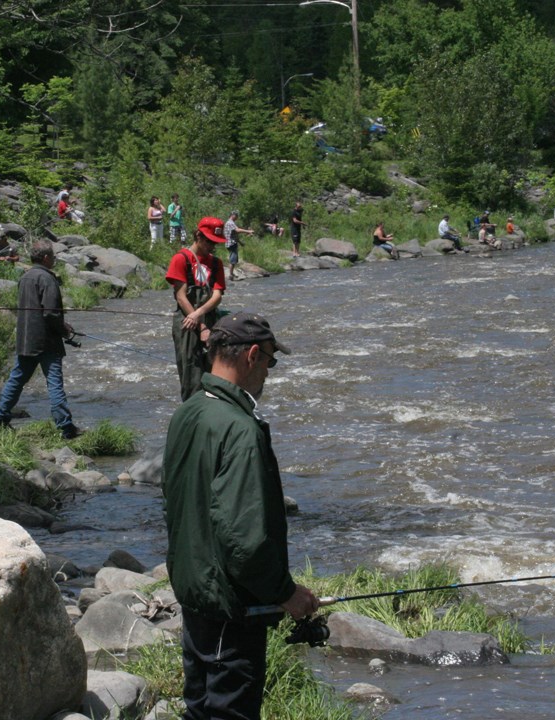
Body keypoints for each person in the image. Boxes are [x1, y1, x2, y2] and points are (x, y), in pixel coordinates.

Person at [163, 312, 319, 720]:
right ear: (252, 355)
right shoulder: (241, 431)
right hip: (231, 610)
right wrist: (287, 593)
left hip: (194, 594)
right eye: (270, 360)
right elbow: (245, 543)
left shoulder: (189, 411)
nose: (269, 371)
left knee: (198, 708)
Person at [0, 239, 81, 440]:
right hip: (46, 341)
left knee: (16, 380)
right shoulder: (47, 279)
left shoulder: (25, 277)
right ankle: (66, 427)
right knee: (55, 383)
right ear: (45, 257)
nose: (54, 260)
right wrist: (64, 329)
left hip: (26, 338)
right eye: (53, 256)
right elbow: (50, 313)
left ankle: (1, 418)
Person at [166, 217, 226, 402]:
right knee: (191, 373)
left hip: (208, 319)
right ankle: (192, 412)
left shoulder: (216, 263)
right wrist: (200, 326)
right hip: (186, 324)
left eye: (216, 242)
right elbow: (181, 296)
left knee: (216, 372)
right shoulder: (181, 259)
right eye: (209, 241)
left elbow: (217, 296)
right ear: (198, 236)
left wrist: (199, 315)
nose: (212, 246)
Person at [223, 210, 254, 276]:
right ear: (232, 215)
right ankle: (230, 275)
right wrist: (248, 231)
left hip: (232, 243)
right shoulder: (230, 223)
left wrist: (240, 242)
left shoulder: (231, 223)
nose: (237, 217)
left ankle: (231, 274)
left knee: (234, 259)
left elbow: (234, 234)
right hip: (231, 244)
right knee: (233, 260)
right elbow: (237, 230)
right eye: (236, 215)